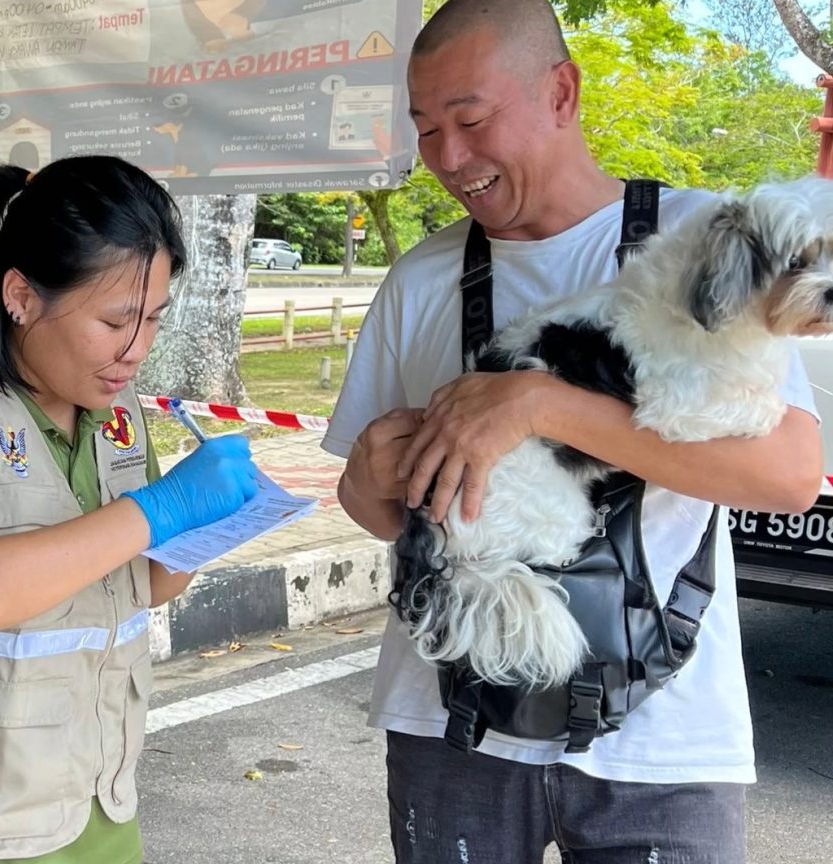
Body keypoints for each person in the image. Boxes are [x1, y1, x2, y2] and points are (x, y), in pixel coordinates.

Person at [321, 2, 823, 862]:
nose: (447, 159)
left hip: (664, 741)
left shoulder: (716, 243)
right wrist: (373, 479)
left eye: (470, 120)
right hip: (451, 721)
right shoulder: (419, 278)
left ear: (562, 92)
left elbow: (789, 475)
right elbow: (369, 508)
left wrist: (540, 405)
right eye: (426, 130)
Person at [0, 155, 261, 864]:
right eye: (115, 321)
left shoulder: (116, 412)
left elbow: (151, 579)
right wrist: (163, 507)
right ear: (20, 295)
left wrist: (214, 521)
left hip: (97, 800)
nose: (136, 351)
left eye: (152, 322)